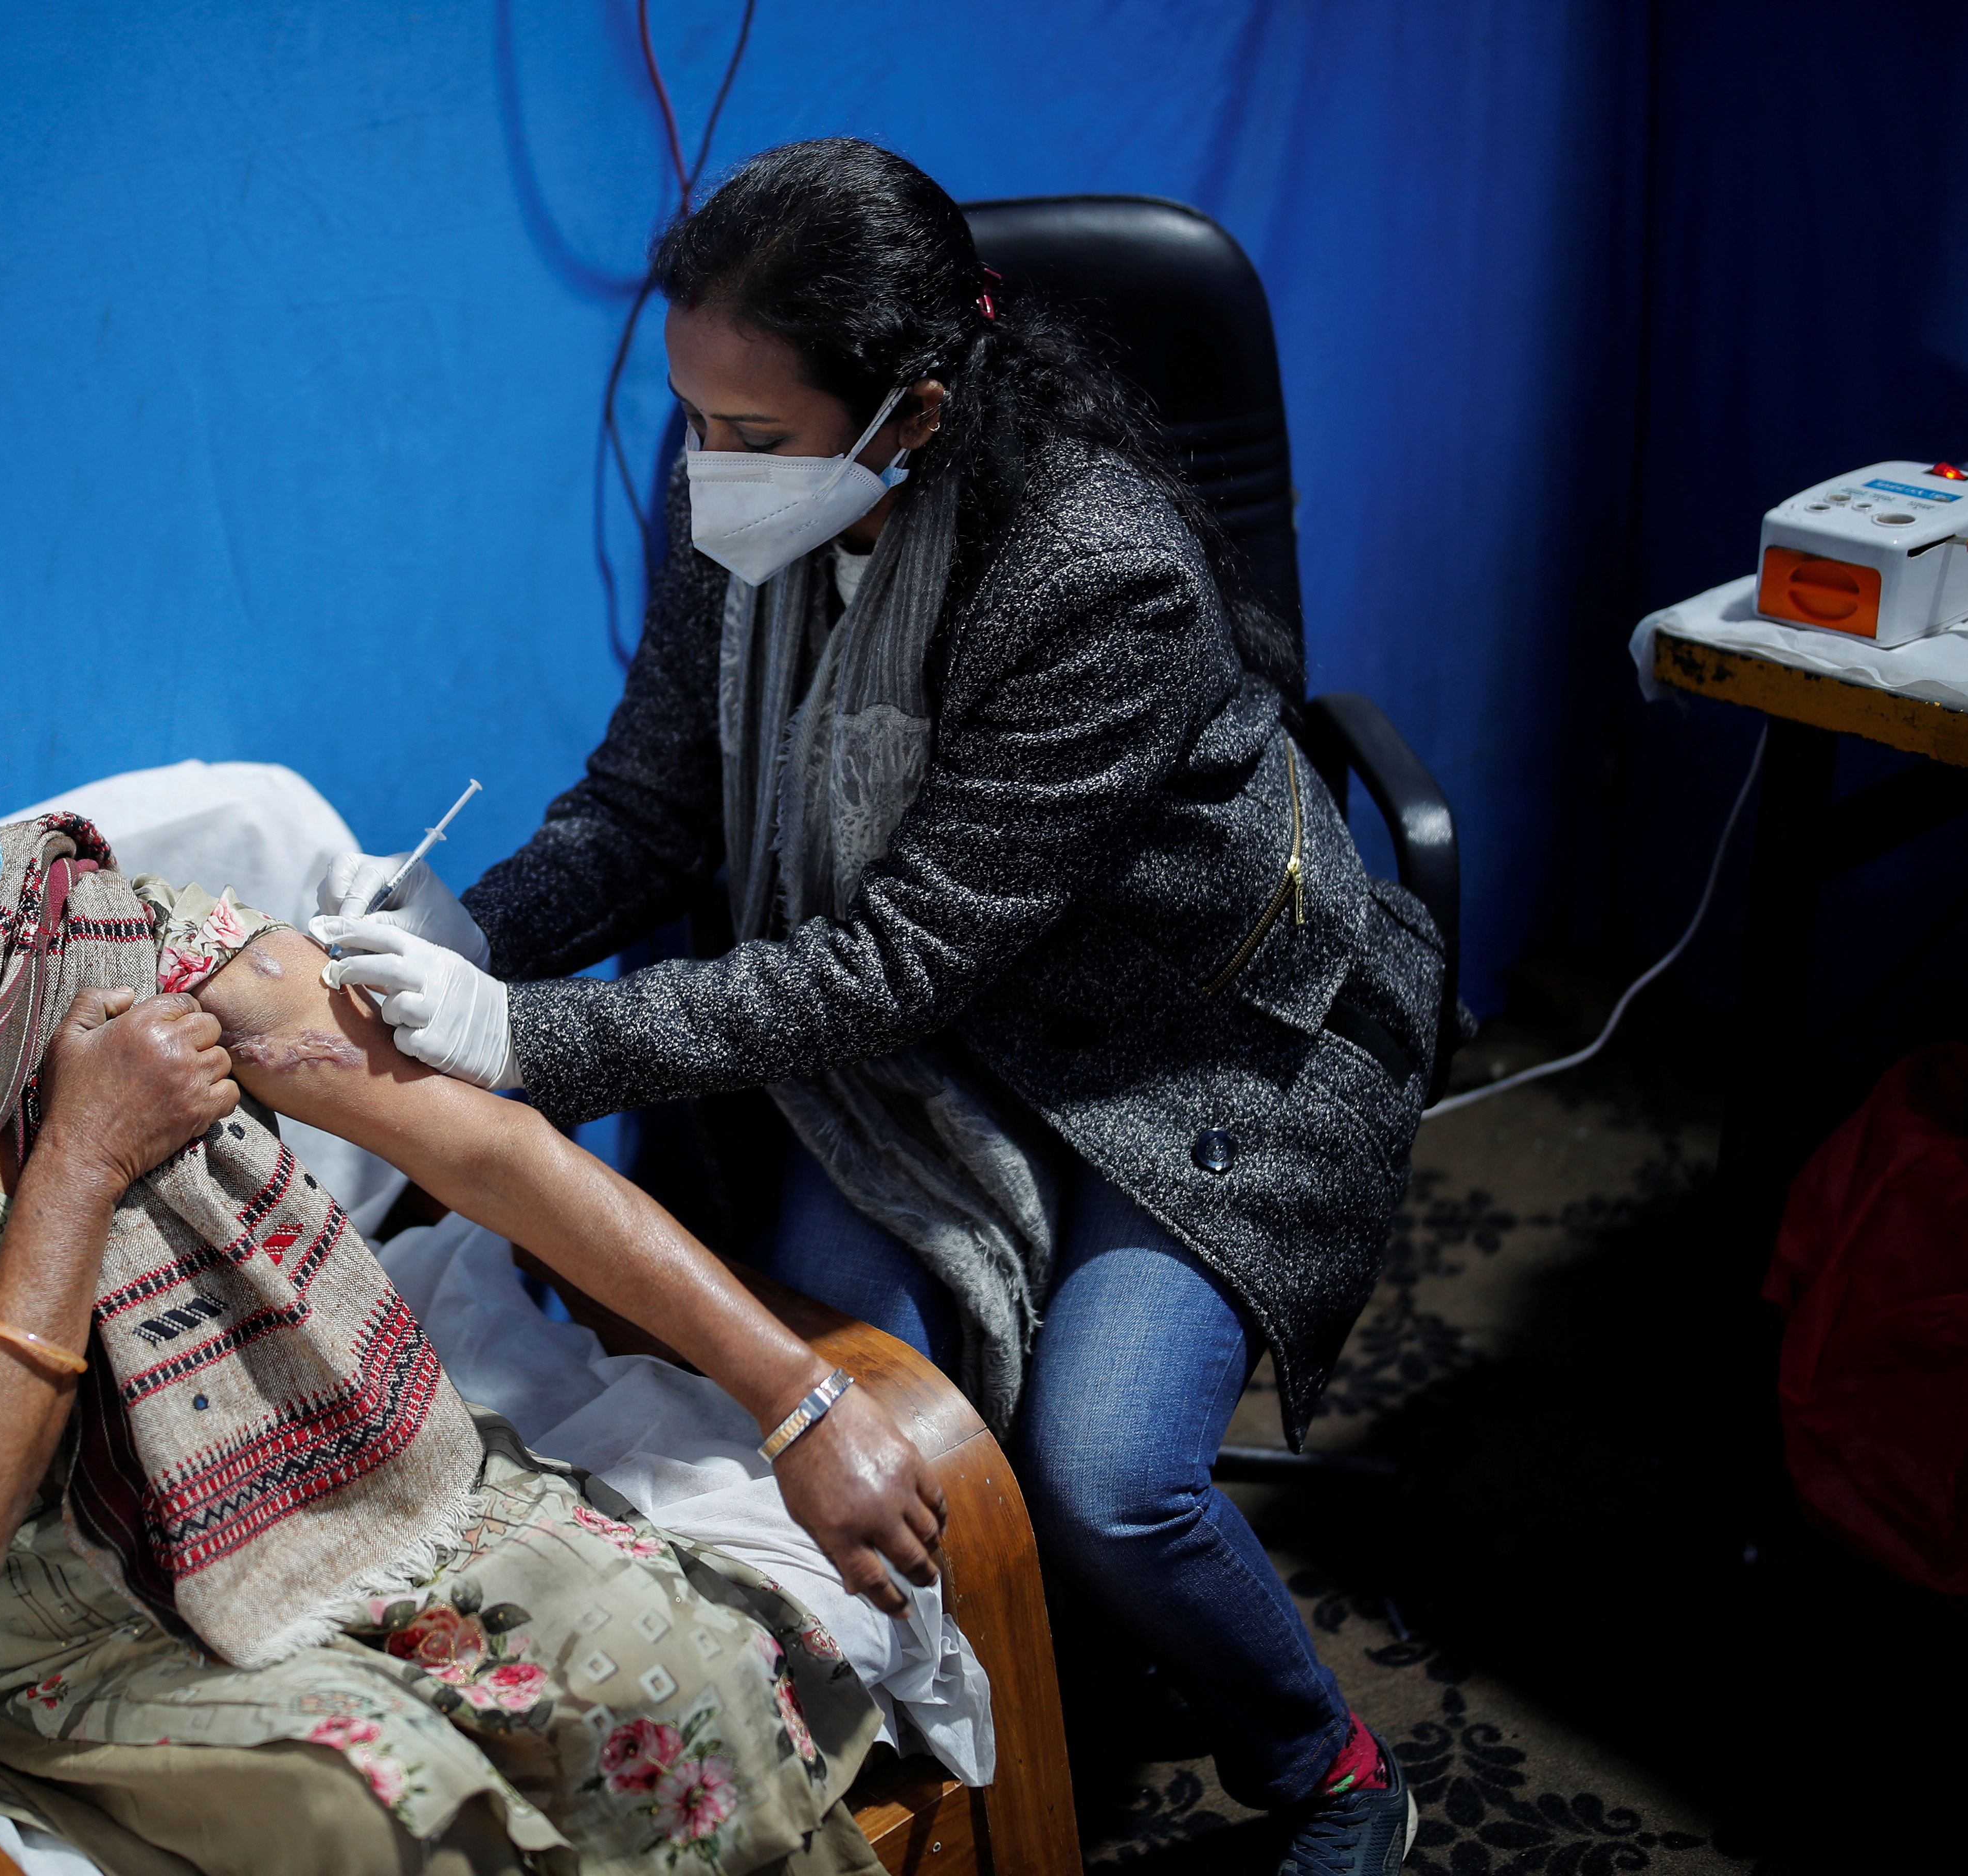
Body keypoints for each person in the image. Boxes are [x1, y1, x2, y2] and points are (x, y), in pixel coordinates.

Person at [319, 140, 1447, 1875]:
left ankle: (1330, 1764)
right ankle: (981, 1723)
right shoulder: (757, 490)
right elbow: (647, 810)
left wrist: (520, 1038)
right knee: (854, 1398)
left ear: (913, 412)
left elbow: (896, 959)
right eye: (691, 419)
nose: (707, 471)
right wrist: (475, 929)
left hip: (1187, 1057)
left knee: (1105, 1482)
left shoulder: (1092, 572)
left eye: (749, 435)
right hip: (927, 1056)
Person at [0, 609, 950, 1876]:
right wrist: (81, 1155)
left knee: (692, 1672)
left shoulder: (103, 937)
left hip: (378, 1502)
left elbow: (484, 1150)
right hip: (79, 1638)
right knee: (383, 1813)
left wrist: (798, 1396)